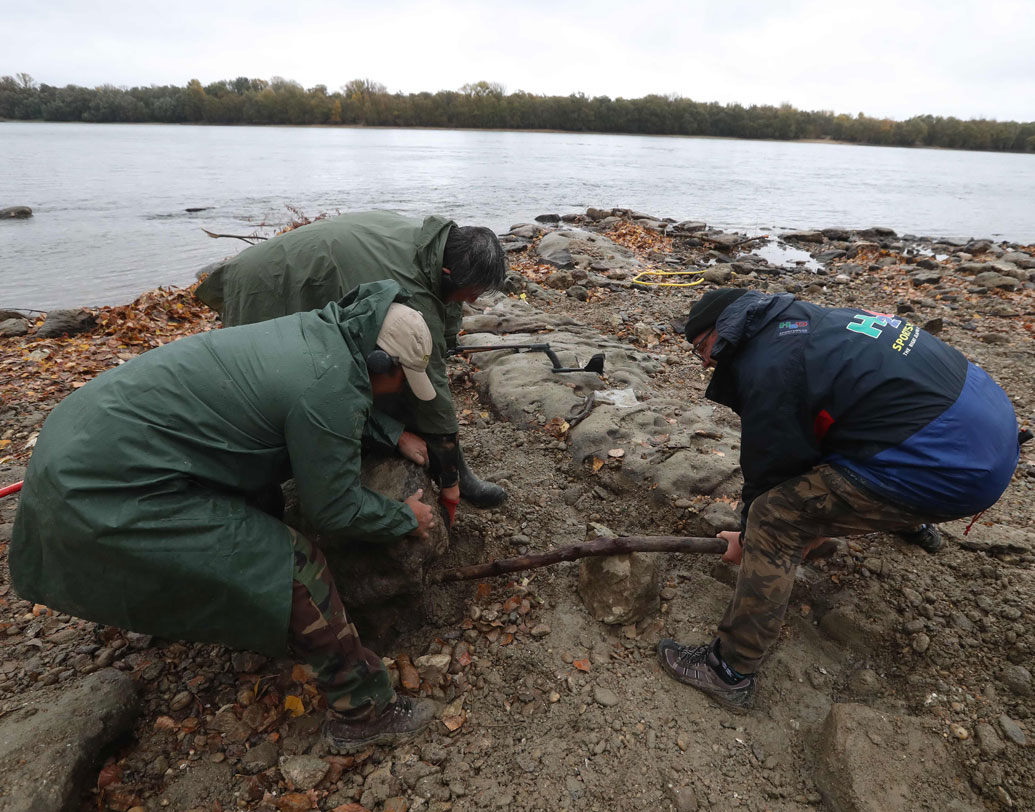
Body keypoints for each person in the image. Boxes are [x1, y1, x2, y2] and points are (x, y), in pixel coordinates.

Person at [11, 281, 446, 753]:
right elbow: (335, 507)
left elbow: (306, 406)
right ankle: (362, 712)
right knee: (294, 564)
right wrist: (404, 517)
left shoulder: (320, 331)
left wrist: (387, 432)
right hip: (102, 486)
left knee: (258, 512)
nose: (400, 389)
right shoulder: (330, 383)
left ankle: (233, 613)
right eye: (402, 378)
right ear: (380, 362)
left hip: (83, 431)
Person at [658, 288, 1021, 712]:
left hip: (947, 470)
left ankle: (730, 671)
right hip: (992, 430)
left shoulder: (773, 365)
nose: (704, 363)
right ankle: (910, 521)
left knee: (775, 517)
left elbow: (771, 469)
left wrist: (749, 535)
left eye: (701, 347)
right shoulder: (812, 319)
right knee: (842, 424)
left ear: (725, 331)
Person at [194, 211, 509, 521]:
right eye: (474, 293)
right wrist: (451, 482)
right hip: (269, 282)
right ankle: (261, 504)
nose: (473, 300)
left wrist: (446, 343)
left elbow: (445, 307)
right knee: (262, 395)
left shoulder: (437, 246)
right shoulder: (408, 282)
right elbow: (431, 378)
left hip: (309, 262)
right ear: (448, 272)